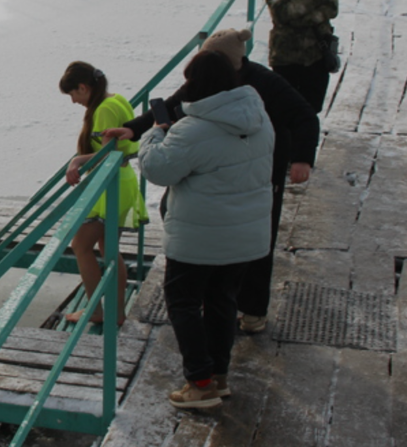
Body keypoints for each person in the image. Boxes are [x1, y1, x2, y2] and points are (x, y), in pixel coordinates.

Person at [107, 28, 319, 334]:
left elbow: (304, 116)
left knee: (258, 240)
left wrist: (302, 159)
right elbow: (174, 104)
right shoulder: (208, 77)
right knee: (181, 213)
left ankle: (253, 311)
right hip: (217, 166)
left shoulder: (264, 82)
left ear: (231, 62)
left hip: (260, 168)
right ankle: (216, 296)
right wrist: (133, 129)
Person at [138, 51, 274, 409]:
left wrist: (153, 135)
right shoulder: (260, 119)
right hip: (247, 235)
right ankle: (218, 377)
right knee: (222, 300)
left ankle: (199, 383)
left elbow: (159, 170)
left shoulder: (192, 130)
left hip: (200, 237)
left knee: (183, 302)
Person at [59, 62, 148, 325]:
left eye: (73, 94)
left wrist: (76, 161)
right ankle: (115, 312)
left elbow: (111, 155)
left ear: (84, 87)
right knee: (108, 249)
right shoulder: (116, 99)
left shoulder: (104, 109)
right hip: (120, 182)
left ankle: (97, 311)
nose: (74, 101)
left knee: (81, 246)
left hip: (111, 186)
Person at [264, 0, 340, 114]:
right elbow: (281, 14)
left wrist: (298, 14)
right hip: (285, 55)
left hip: (317, 53)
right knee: (283, 108)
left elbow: (331, 8)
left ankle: (306, 142)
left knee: (312, 107)